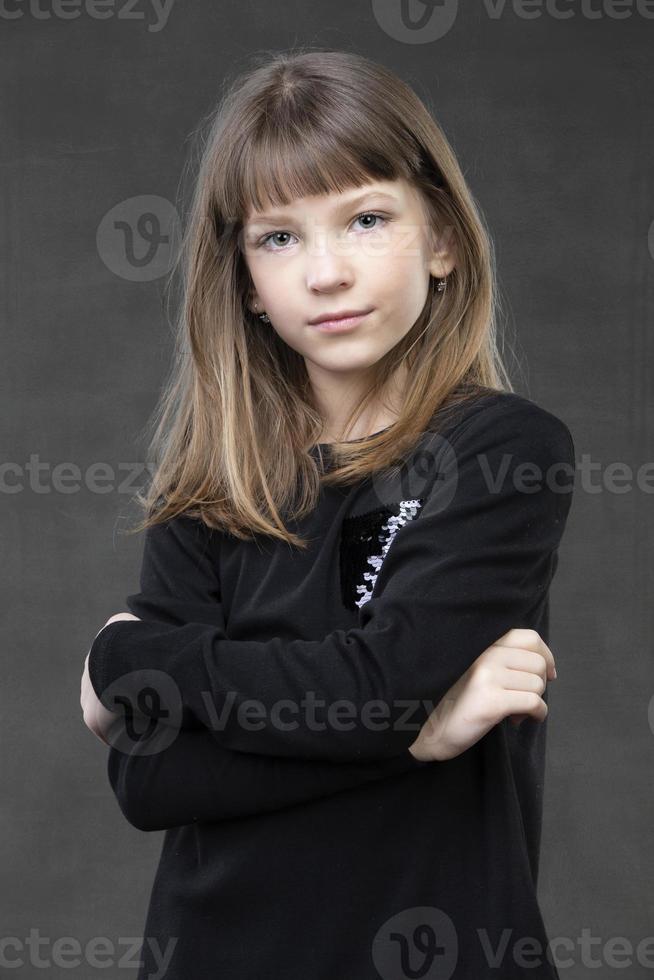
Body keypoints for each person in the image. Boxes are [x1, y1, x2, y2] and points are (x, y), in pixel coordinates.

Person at [80, 48, 576, 980]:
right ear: (245, 285)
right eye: (279, 238)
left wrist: (126, 658)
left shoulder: (502, 451)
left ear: (444, 242)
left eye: (366, 219)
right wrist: (416, 733)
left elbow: (377, 687)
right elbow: (149, 779)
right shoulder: (211, 482)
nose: (325, 273)